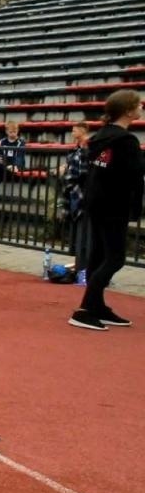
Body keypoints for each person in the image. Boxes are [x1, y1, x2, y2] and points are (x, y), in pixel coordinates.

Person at [70, 92, 142, 330]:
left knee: (99, 256)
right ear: (129, 111)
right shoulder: (126, 141)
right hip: (115, 205)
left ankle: (97, 306)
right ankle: (86, 308)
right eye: (138, 105)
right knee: (115, 258)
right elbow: (135, 173)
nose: (142, 107)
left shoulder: (100, 136)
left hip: (97, 203)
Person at [60, 123, 91, 282]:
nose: (72, 132)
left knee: (85, 236)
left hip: (81, 195)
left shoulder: (87, 148)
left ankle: (84, 270)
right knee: (80, 234)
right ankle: (80, 267)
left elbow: (83, 172)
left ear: (83, 131)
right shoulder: (76, 149)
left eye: (75, 129)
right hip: (75, 194)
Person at [0, 120, 26, 200]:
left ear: (18, 131)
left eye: (15, 132)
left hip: (15, 168)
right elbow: (0, 156)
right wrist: (2, 162)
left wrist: (15, 166)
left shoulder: (20, 142)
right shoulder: (2, 141)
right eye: (11, 132)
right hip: (4, 166)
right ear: (6, 132)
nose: (13, 134)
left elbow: (20, 157)